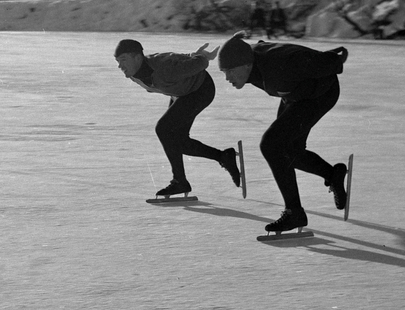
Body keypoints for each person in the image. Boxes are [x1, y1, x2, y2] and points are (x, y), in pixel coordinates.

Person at [216, 31, 348, 234]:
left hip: (321, 93)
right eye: (224, 72)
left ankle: (294, 212)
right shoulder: (250, 61)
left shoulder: (281, 64)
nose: (227, 78)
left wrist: (333, 58)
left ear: (245, 64)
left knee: (272, 144)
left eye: (230, 71)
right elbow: (261, 46)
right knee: (288, 150)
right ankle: (333, 174)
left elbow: (316, 61)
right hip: (294, 94)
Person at [114, 37, 241, 200]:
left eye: (123, 60)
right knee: (176, 141)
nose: (120, 66)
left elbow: (196, 64)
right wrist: (191, 54)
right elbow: (175, 59)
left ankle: (179, 181)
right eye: (117, 61)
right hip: (181, 92)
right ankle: (224, 157)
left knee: (164, 129)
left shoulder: (163, 69)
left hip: (200, 89)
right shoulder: (134, 73)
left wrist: (201, 57)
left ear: (137, 57)